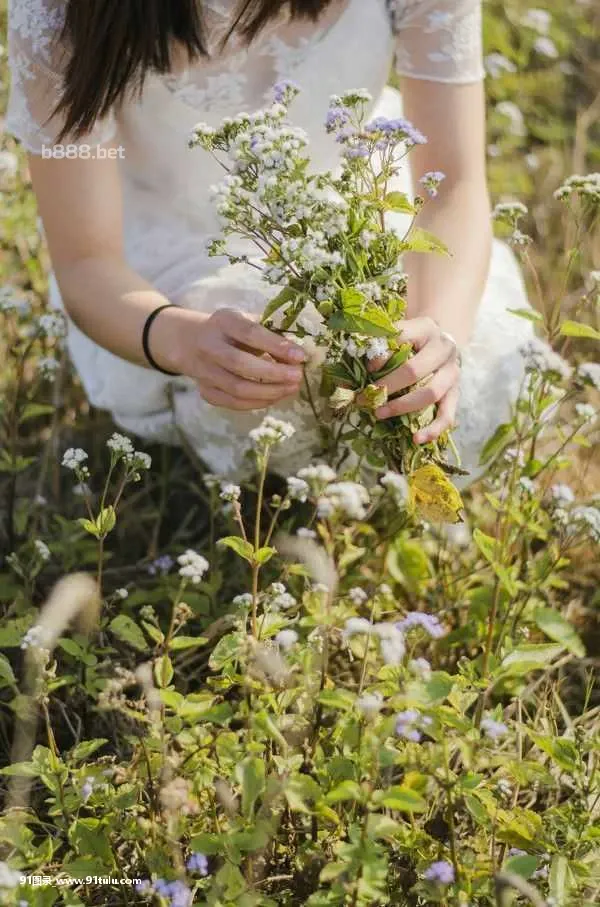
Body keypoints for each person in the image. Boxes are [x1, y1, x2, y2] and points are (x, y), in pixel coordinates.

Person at [5, 0, 539, 485]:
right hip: (172, 269)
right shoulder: (57, 11)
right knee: (279, 361)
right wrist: (180, 339)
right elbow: (85, 261)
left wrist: (432, 336)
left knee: (472, 387)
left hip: (357, 217)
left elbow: (453, 187)